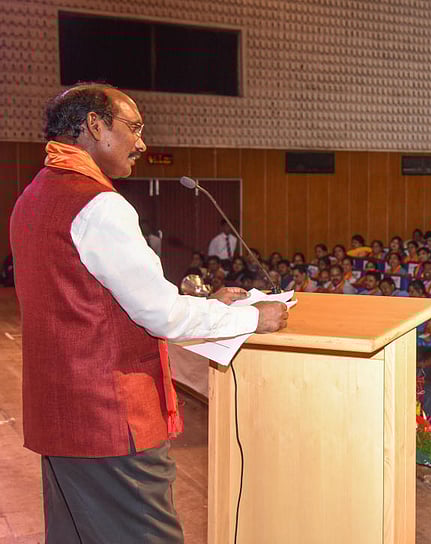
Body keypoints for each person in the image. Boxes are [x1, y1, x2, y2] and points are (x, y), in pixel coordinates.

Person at [9, 83, 288, 543]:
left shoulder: (34, 195)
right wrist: (254, 318)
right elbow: (161, 315)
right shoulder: (99, 205)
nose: (141, 142)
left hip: (60, 417)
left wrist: (207, 304)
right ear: (95, 125)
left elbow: (93, 299)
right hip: (109, 420)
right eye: (134, 127)